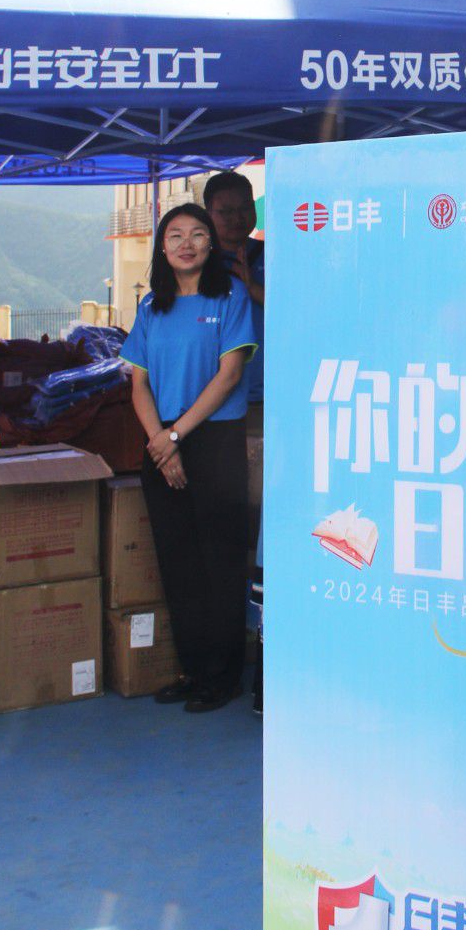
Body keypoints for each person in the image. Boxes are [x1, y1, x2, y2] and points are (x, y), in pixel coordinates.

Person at [121, 202, 256, 713]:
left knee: (219, 562)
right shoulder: (151, 306)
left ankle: (220, 678)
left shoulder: (231, 297)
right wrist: (161, 441)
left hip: (213, 440)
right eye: (175, 234)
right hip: (163, 443)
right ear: (162, 246)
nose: (186, 243)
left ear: (210, 244)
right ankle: (192, 668)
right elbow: (139, 383)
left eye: (198, 234)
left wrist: (176, 436)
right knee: (178, 565)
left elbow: (229, 375)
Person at [202, 170, 266, 714]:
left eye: (244, 207)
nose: (238, 218)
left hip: (273, 404)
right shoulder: (197, 266)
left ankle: (259, 636)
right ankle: (231, 641)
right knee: (233, 525)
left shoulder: (272, 258)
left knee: (267, 524)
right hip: (221, 411)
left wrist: (253, 285)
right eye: (226, 210)